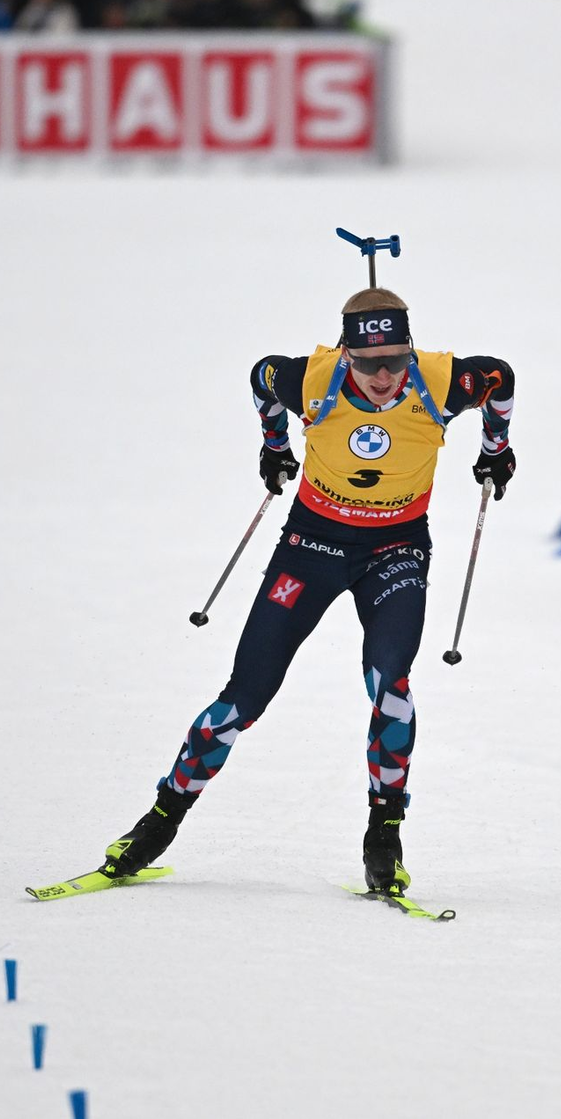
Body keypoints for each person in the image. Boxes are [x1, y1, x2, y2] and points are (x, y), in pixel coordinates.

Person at [102, 285, 515, 893]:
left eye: (396, 360)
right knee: (245, 696)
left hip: (395, 551)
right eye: (369, 362)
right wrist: (274, 445)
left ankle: (385, 836)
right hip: (311, 549)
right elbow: (259, 378)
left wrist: (495, 451)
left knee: (391, 685)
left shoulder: (444, 382)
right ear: (346, 353)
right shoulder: (308, 381)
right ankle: (161, 818)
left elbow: (501, 379)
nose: (382, 376)